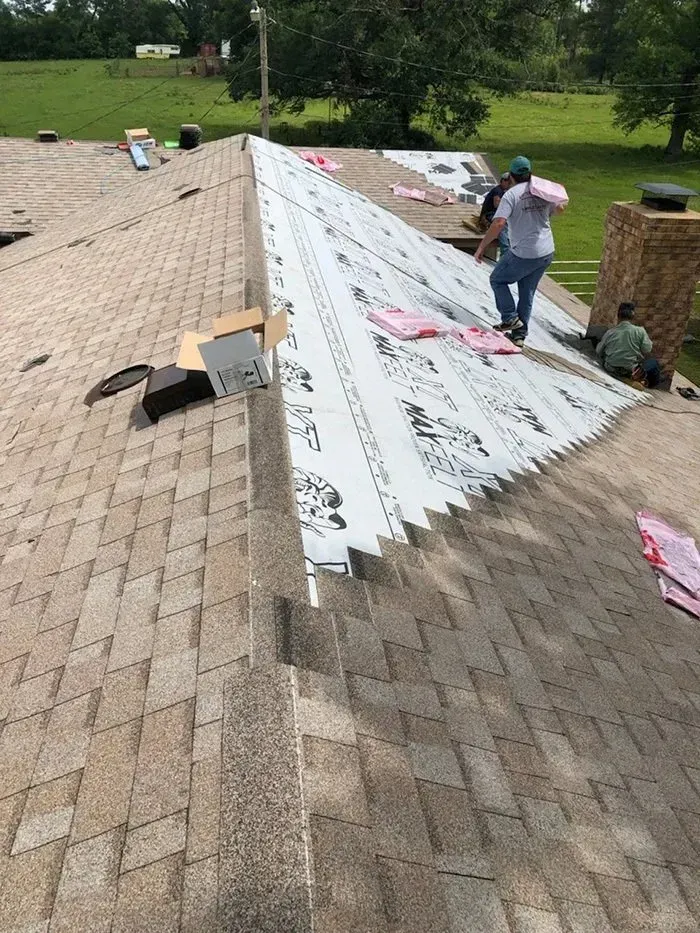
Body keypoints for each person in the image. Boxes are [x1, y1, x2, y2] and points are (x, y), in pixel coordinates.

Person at [474, 155, 566, 347]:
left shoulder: (511, 195)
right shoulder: (540, 190)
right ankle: (519, 336)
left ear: (511, 176)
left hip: (525, 252)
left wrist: (482, 247)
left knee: (497, 279)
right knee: (527, 291)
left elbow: (499, 223)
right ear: (530, 173)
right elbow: (559, 209)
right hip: (546, 252)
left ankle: (509, 317)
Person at [596, 302, 660, 388]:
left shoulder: (610, 332)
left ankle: (637, 379)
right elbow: (647, 349)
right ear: (633, 316)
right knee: (653, 363)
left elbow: (598, 351)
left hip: (611, 368)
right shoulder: (640, 331)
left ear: (618, 316)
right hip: (630, 370)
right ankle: (647, 384)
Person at [479, 172, 512, 255]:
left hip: (495, 213)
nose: (509, 184)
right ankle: (505, 250)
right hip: (488, 215)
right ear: (503, 181)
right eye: (508, 182)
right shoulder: (498, 191)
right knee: (500, 225)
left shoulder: (503, 191)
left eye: (510, 182)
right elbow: (496, 204)